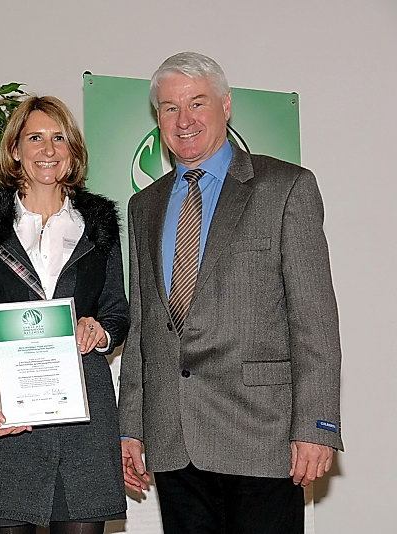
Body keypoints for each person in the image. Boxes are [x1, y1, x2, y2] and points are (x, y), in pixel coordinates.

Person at [118, 52, 343, 534]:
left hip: (263, 435)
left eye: (197, 103)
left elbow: (315, 320)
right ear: (158, 117)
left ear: (225, 105)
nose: (184, 119)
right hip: (174, 436)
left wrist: (317, 425)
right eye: (170, 107)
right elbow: (142, 326)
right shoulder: (144, 205)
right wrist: (131, 426)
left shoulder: (286, 187)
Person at [0, 96, 129, 534]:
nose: (48, 150)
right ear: (15, 149)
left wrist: (101, 330)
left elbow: (117, 311)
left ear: (73, 150)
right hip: (7, 415)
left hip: (83, 421)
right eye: (35, 138)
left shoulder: (99, 222)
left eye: (59, 138)